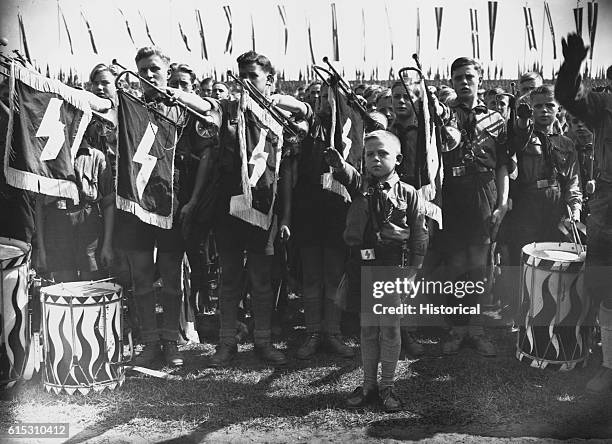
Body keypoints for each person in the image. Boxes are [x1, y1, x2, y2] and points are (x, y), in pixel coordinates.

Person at [182, 50, 309, 367]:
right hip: (230, 208)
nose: (245, 82)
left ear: (270, 79)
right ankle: (227, 344)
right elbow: (206, 107)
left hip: (264, 209)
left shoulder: (280, 117)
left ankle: (263, 342)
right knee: (230, 279)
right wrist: (181, 94)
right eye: (241, 76)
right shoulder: (228, 109)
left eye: (252, 76)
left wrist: (288, 217)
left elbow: (288, 173)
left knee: (262, 279)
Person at [118, 46, 214, 368]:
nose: (148, 75)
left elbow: (209, 144)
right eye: (143, 69)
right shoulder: (127, 106)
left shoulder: (181, 109)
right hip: (136, 202)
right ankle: (149, 342)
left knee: (172, 278)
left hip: (171, 204)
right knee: (142, 277)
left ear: (167, 70)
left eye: (155, 69)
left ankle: (171, 341)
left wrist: (194, 199)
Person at [325, 130, 428, 412]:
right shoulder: (362, 186)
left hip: (393, 269)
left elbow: (419, 235)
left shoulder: (408, 193)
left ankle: (388, 385)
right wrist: (339, 164)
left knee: (390, 330)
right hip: (363, 266)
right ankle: (369, 383)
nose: (375, 159)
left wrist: (414, 273)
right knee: (368, 328)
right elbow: (348, 176)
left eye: (382, 153)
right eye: (370, 154)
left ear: (398, 158)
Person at [440, 57, 509, 357]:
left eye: (469, 77)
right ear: (452, 82)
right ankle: (457, 329)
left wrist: (502, 203)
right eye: (458, 78)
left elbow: (503, 167)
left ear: (480, 80)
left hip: (484, 193)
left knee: (481, 266)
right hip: (452, 194)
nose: (464, 83)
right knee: (455, 265)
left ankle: (477, 329)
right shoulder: (443, 118)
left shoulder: (496, 119)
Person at [555, 33, 612, 394]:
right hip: (609, 213)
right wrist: (574, 63)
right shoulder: (604, 108)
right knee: (606, 292)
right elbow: (567, 96)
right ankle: (608, 366)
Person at [291, 82, 353, 360]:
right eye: (314, 94)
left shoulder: (351, 128)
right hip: (307, 208)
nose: (320, 99)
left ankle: (333, 332)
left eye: (326, 95)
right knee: (312, 274)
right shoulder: (302, 128)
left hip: (339, 210)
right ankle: (313, 332)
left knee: (334, 273)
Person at [508, 85, 582, 262]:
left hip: (555, 205)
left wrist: (575, 209)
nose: (544, 110)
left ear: (559, 109)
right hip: (526, 203)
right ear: (531, 109)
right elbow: (518, 135)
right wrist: (522, 119)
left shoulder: (566, 144)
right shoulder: (522, 136)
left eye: (550, 105)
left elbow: (573, 180)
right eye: (538, 106)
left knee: (552, 256)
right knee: (524, 255)